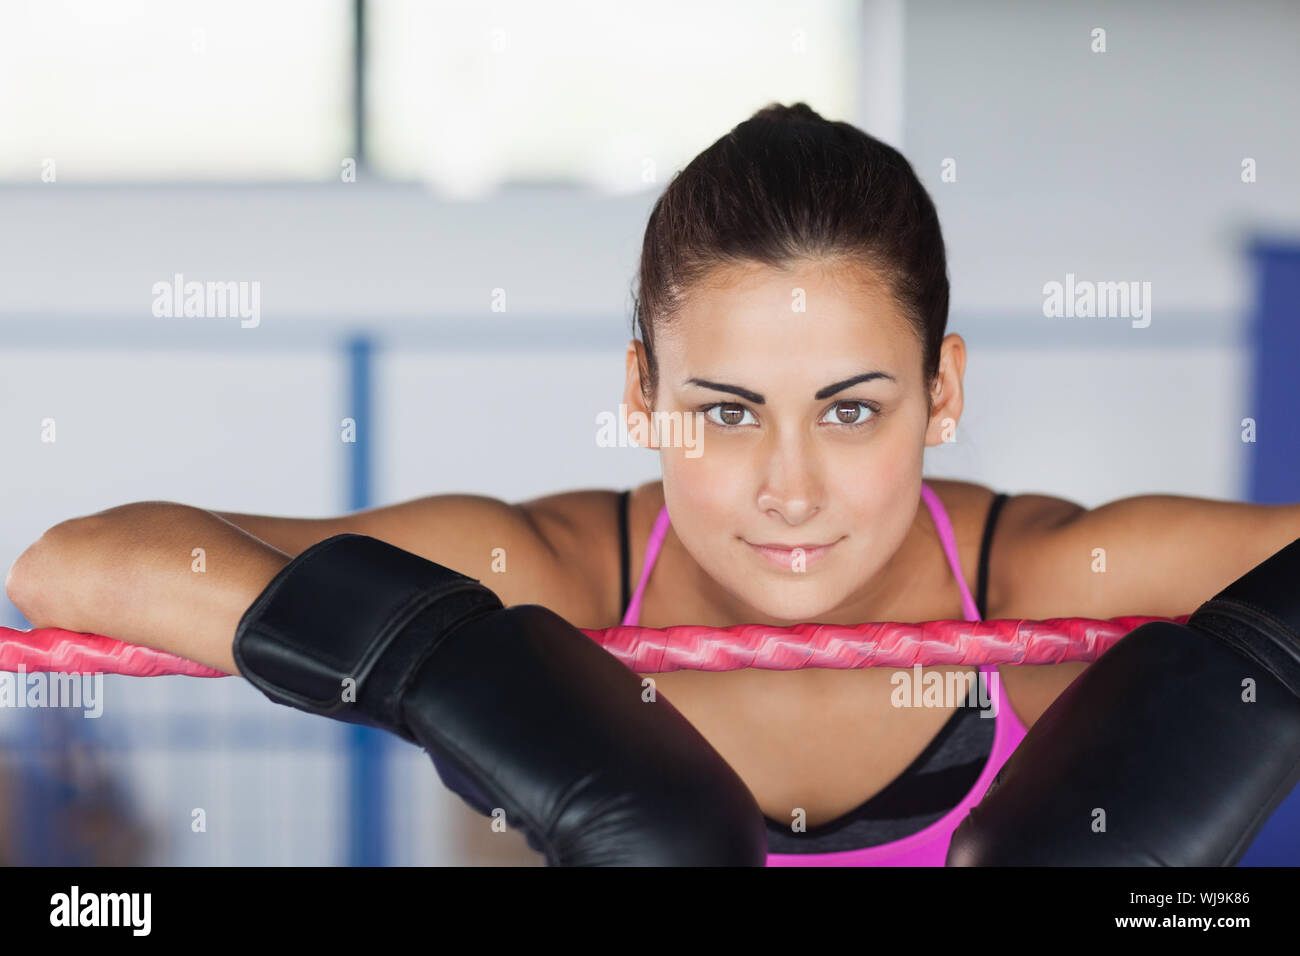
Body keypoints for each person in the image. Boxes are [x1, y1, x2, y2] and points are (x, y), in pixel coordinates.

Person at [8, 103, 1300, 863]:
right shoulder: (551, 576)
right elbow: (75, 566)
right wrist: (442, 668)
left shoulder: (1050, 586)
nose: (789, 488)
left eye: (852, 409)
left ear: (943, 391)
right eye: (725, 410)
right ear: (639, 395)